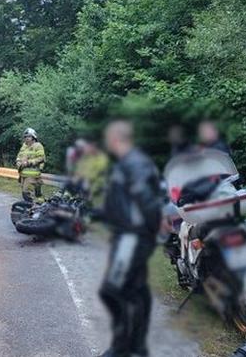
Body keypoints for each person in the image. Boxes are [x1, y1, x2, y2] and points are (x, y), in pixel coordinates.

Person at [98, 120, 164, 357]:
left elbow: (145, 201)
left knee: (115, 290)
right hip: (133, 236)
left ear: (116, 139)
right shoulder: (132, 163)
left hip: (131, 238)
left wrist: (140, 233)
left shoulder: (134, 163)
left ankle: (123, 347)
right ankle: (136, 347)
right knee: (136, 289)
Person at [73, 139, 109, 211]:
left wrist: (87, 178)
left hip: (98, 185)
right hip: (88, 184)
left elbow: (98, 171)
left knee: (95, 205)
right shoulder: (88, 157)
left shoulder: (101, 158)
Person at [15, 128, 46, 203]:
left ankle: (32, 209)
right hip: (23, 175)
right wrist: (18, 162)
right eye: (25, 137)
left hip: (32, 175)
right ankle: (33, 207)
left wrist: (29, 162)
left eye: (28, 136)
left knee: (27, 193)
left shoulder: (38, 146)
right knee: (25, 193)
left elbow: (41, 158)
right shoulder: (23, 147)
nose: (26, 138)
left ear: (33, 137)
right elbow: (19, 157)